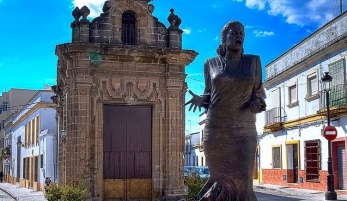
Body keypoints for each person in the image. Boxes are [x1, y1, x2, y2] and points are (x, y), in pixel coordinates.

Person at [185, 20, 266, 201]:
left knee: (244, 179)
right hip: (216, 130)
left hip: (244, 129)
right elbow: (209, 93)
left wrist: (257, 103)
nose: (239, 35)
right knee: (220, 179)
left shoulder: (253, 61)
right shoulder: (210, 64)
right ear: (224, 38)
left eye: (242, 33)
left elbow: (258, 92)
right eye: (235, 32)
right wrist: (201, 99)